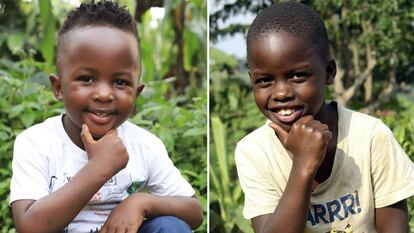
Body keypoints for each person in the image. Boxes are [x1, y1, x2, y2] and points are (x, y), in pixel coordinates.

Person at [9, 1, 203, 232]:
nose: (103, 94)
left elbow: (194, 211)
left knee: (170, 225)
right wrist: (100, 166)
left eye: (120, 82)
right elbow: (30, 227)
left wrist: (142, 202)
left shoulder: (145, 145)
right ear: (59, 88)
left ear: (136, 93)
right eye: (87, 79)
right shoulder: (37, 143)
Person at [235, 2, 414, 233]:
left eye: (298, 75)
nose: (281, 93)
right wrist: (303, 164)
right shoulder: (254, 152)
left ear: (329, 72)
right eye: (264, 81)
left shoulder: (370, 137)